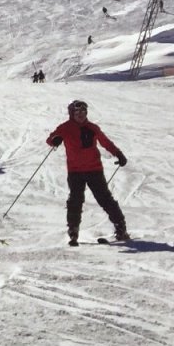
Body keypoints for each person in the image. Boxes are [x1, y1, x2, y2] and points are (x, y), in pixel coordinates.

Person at [47, 99, 128, 245]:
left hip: (94, 169)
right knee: (75, 201)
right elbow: (50, 139)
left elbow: (105, 142)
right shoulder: (65, 127)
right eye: (77, 112)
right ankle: (73, 230)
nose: (81, 114)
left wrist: (118, 154)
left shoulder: (92, 128)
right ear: (71, 113)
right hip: (75, 171)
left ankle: (121, 228)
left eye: (83, 111)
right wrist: (55, 140)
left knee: (104, 199)